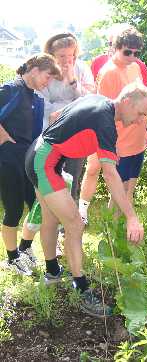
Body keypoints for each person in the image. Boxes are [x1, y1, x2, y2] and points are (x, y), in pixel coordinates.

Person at [25, 82, 147, 316]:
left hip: (39, 153)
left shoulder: (98, 100)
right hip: (46, 163)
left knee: (51, 220)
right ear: (126, 102)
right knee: (74, 223)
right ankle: (82, 289)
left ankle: (53, 273)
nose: (139, 120)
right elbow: (110, 174)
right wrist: (132, 217)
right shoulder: (105, 121)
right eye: (140, 113)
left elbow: (57, 116)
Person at [79, 26, 147, 224]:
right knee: (119, 193)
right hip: (120, 142)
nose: (132, 56)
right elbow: (103, 114)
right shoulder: (109, 72)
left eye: (136, 53)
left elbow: (141, 101)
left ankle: (121, 234)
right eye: (127, 52)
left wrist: (145, 130)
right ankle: (113, 236)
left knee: (128, 191)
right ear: (116, 48)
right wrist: (112, 145)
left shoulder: (135, 67)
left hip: (136, 139)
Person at [0, 54, 61, 275]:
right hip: (7, 161)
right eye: (47, 76)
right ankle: (12, 257)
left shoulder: (34, 98)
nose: (48, 82)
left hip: (27, 161)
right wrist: (3, 135)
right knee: (14, 210)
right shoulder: (11, 89)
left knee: (38, 206)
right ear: (34, 69)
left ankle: (25, 248)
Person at [40, 32, 95, 200]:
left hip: (77, 129)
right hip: (51, 129)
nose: (67, 60)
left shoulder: (81, 68)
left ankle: (71, 220)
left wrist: (73, 81)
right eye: (61, 56)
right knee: (52, 175)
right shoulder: (45, 71)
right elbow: (42, 102)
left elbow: (90, 99)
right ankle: (51, 217)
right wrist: (64, 112)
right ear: (52, 55)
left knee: (73, 175)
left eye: (70, 55)